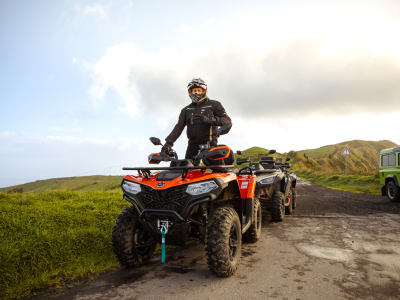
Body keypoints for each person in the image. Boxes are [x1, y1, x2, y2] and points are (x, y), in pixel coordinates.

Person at [162, 78, 232, 160]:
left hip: (210, 144)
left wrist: (210, 120)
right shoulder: (186, 110)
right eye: (194, 90)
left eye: (199, 90)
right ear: (190, 92)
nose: (196, 93)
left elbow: (227, 122)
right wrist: (168, 143)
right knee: (186, 169)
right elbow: (178, 127)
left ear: (204, 91)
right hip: (192, 145)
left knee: (218, 170)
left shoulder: (214, 104)